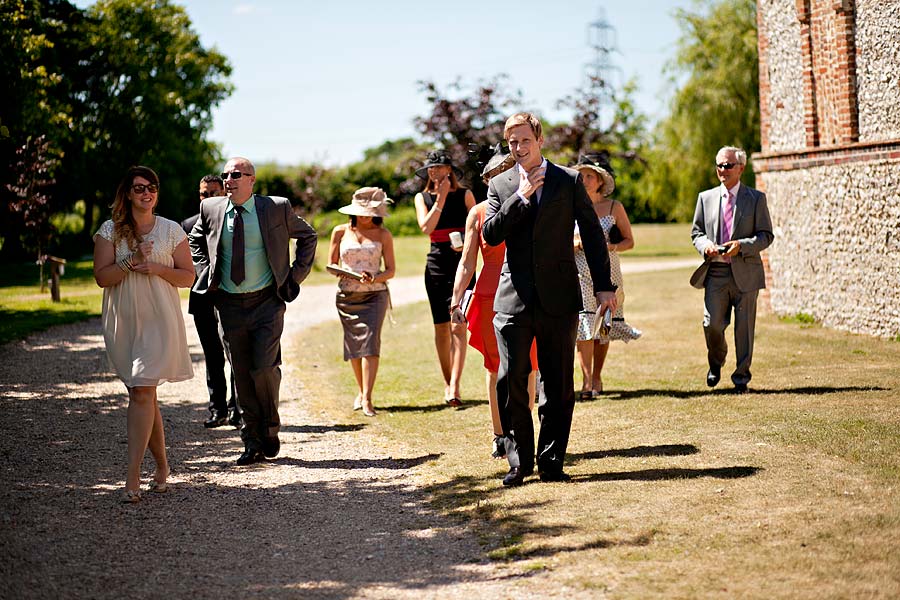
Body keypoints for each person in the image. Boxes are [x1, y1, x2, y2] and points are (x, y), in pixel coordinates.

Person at [482, 113, 617, 486]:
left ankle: (552, 461)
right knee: (511, 379)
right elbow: (491, 235)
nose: (519, 149)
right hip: (513, 299)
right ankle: (518, 462)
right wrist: (521, 199)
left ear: (539, 139)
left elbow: (591, 235)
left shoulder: (569, 180)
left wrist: (605, 286)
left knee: (557, 383)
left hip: (559, 295)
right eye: (512, 143)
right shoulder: (501, 184)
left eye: (525, 141)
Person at [189, 157, 317, 465]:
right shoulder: (212, 209)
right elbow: (195, 239)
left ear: (252, 180)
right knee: (241, 375)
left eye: (236, 175)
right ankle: (252, 441)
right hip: (229, 305)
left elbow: (308, 236)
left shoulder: (275, 207)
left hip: (266, 304)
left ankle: (269, 428)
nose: (229, 180)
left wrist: (292, 276)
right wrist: (206, 273)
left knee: (263, 369)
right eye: (226, 175)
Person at [93, 166, 195, 503]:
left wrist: (157, 268)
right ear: (127, 193)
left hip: (159, 321)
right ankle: (163, 468)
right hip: (124, 323)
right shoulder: (110, 230)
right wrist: (130, 261)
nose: (146, 193)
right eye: (139, 188)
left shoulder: (171, 230)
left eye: (151, 187)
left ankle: (131, 477)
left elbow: (188, 277)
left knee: (140, 392)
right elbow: (102, 278)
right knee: (144, 395)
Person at [450, 144, 538, 459]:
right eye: (495, 175)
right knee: (496, 368)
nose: (502, 179)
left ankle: (521, 432)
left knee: (528, 368)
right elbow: (467, 262)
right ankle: (500, 435)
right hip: (489, 297)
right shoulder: (478, 213)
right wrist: (456, 298)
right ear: (489, 179)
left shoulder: (532, 203)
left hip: (528, 293)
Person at [690, 146, 774, 394]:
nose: (722, 170)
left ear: (741, 168)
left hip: (746, 274)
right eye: (719, 165)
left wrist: (742, 246)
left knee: (744, 329)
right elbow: (697, 233)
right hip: (715, 273)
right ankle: (716, 363)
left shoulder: (756, 199)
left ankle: (741, 379)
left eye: (727, 165)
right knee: (712, 324)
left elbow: (766, 236)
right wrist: (705, 246)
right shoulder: (705, 198)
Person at [570, 153, 641, 399]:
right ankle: (587, 382)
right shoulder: (570, 205)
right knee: (585, 324)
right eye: (581, 175)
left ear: (601, 181)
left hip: (608, 270)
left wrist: (610, 247)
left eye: (590, 176)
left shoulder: (613, 207)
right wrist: (575, 244)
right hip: (579, 272)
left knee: (604, 326)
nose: (585, 179)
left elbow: (629, 241)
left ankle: (597, 375)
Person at [414, 149, 477, 407]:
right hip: (436, 266)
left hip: (462, 264)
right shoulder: (423, 197)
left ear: (449, 169)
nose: (434, 172)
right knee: (441, 327)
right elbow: (426, 228)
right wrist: (438, 200)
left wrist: (467, 246)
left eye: (439, 167)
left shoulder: (465, 195)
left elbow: (479, 227)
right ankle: (447, 381)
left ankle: (455, 385)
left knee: (457, 325)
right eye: (431, 168)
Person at [327, 187, 396, 417]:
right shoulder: (339, 231)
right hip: (347, 296)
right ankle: (361, 390)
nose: (366, 216)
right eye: (362, 212)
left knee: (370, 344)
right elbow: (332, 265)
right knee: (354, 347)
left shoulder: (383, 234)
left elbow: (391, 270)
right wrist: (348, 274)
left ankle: (367, 398)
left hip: (375, 294)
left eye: (370, 212)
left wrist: (374, 278)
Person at [181, 175, 240, 429]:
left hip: (230, 297)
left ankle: (237, 408)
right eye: (204, 194)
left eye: (214, 193)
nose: (208, 198)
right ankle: (217, 410)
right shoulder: (188, 225)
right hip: (202, 297)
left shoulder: (235, 221)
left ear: (225, 193)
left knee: (234, 353)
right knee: (212, 355)